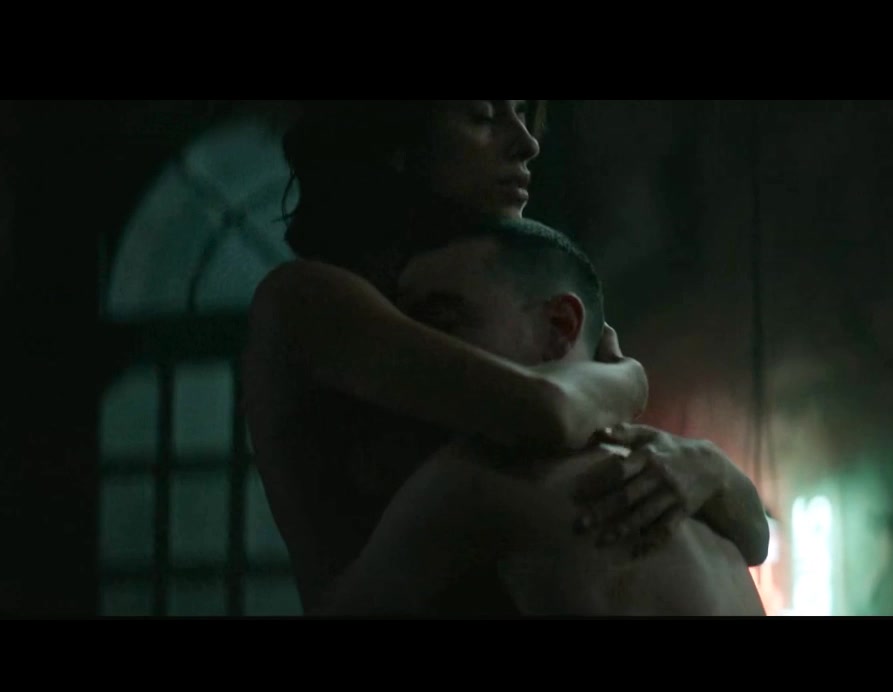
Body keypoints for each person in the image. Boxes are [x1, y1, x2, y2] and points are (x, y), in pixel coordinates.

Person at [242, 100, 769, 613]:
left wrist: (708, 468)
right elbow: (544, 411)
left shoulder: (480, 301)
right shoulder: (305, 299)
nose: (527, 143)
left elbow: (753, 535)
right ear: (393, 137)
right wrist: (628, 379)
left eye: (521, 113)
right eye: (482, 117)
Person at [322, 219, 766, 615]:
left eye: (442, 322)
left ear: (559, 326)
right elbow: (758, 542)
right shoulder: (687, 485)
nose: (420, 355)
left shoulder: (476, 480)